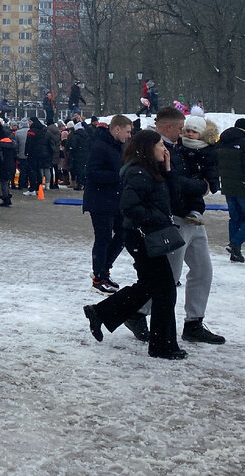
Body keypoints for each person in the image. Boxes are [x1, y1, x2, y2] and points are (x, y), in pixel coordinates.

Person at [82, 129, 186, 360]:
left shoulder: (152, 170)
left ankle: (99, 312)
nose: (164, 149)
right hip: (142, 237)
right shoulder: (138, 171)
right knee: (165, 290)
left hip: (146, 235)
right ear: (148, 148)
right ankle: (162, 345)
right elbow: (129, 207)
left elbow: (173, 199)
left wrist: (168, 171)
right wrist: (157, 218)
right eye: (160, 145)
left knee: (149, 286)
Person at [174, 113, 225, 344]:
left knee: (203, 271)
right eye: (187, 130)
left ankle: (194, 322)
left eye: (193, 131)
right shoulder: (176, 149)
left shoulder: (207, 151)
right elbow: (176, 182)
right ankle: (139, 313)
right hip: (179, 215)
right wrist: (200, 186)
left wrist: (207, 185)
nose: (188, 135)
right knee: (169, 274)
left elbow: (210, 177)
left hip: (196, 216)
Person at [83, 115, 132, 294]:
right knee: (103, 238)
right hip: (99, 200)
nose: (129, 135)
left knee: (123, 234)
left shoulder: (117, 146)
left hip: (115, 199)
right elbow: (92, 173)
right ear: (116, 129)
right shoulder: (99, 146)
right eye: (127, 131)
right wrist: (119, 175)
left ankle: (104, 268)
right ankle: (99, 277)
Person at [217, 117, 245, 262]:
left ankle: (235, 252)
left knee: (235, 218)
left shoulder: (222, 141)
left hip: (228, 186)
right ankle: (235, 244)